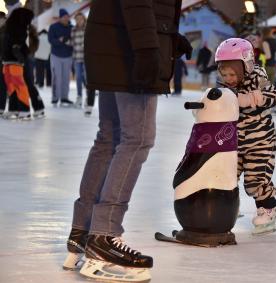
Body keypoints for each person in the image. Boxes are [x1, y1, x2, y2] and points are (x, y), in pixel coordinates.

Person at [62, 0, 192, 281]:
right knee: (137, 138)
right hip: (131, 51)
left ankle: (83, 231)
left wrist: (167, 37)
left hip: (115, 47)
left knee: (109, 138)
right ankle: (104, 236)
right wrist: (148, 47)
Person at [215, 38, 276, 235]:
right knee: (227, 176)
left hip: (259, 141)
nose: (229, 78)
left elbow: (274, 96)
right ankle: (230, 208)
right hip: (234, 141)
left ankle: (268, 210)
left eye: (233, 74)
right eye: (224, 74)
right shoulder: (226, 86)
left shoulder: (258, 78)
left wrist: (250, 98)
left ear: (246, 66)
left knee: (255, 180)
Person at [48, 8, 73, 107]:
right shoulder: (53, 27)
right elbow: (51, 40)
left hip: (68, 56)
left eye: (67, 17)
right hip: (56, 56)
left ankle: (64, 97)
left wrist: (67, 41)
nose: (66, 18)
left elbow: (73, 40)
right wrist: (61, 41)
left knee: (66, 78)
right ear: (60, 18)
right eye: (64, 17)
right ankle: (55, 98)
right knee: (56, 78)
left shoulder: (71, 27)